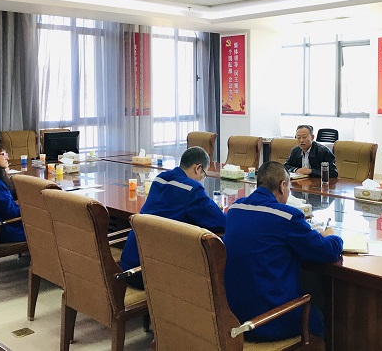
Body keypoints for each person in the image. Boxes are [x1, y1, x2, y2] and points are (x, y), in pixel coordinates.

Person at [224, 161, 343, 341]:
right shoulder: (287, 215)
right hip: (269, 321)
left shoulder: (235, 209)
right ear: (282, 186)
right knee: (326, 318)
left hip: (235, 318)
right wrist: (333, 236)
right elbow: (327, 252)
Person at [120, 146, 226, 289]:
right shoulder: (192, 189)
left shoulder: (160, 179)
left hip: (129, 265)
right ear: (198, 168)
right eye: (204, 175)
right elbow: (220, 222)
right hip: (150, 274)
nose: (202, 179)